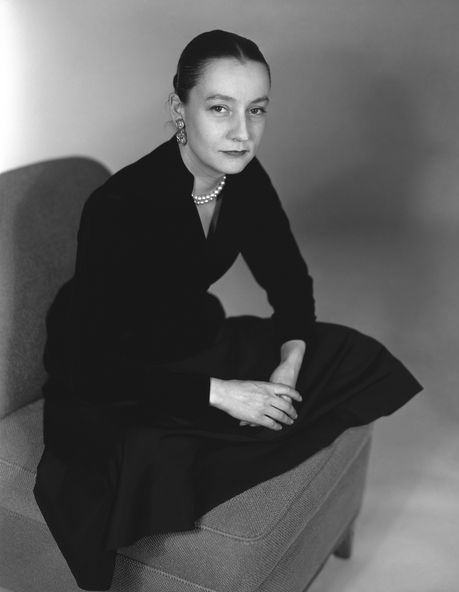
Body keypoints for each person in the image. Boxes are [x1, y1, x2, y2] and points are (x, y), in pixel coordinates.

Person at [33, 29, 423, 591]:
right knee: (148, 459)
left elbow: (290, 283)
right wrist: (224, 392)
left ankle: (234, 422)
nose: (242, 133)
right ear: (179, 109)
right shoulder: (118, 206)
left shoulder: (243, 179)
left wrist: (287, 366)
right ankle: (210, 432)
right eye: (220, 109)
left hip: (194, 340)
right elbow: (89, 366)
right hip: (109, 374)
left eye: (256, 110)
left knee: (347, 354)